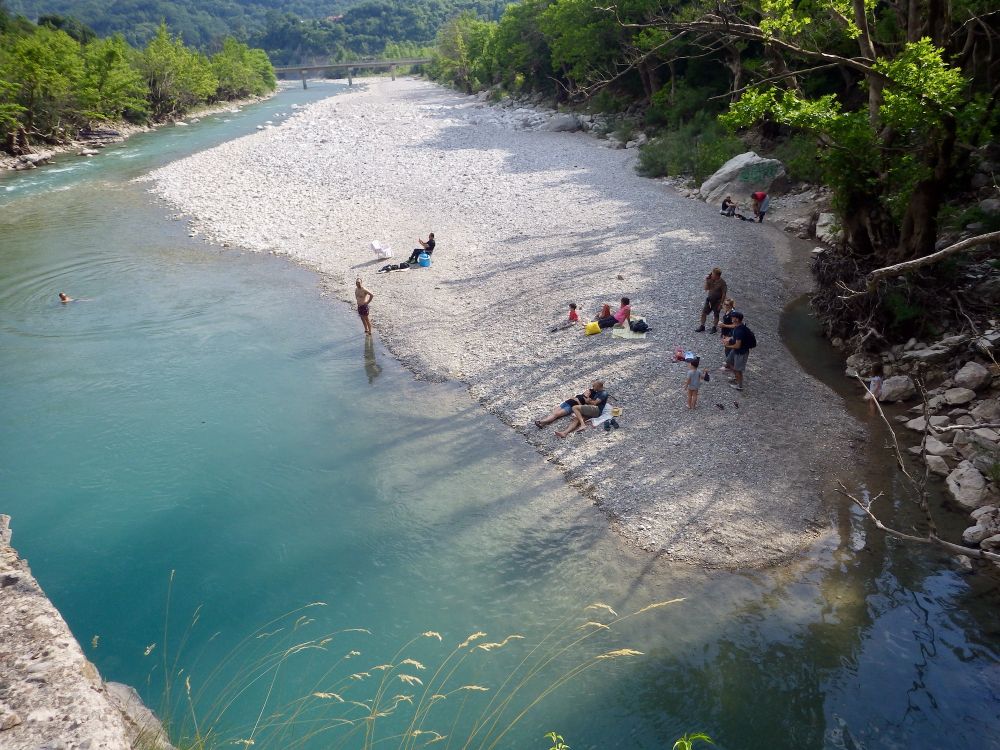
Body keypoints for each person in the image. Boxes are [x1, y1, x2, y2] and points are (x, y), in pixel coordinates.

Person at [534, 381, 608, 432]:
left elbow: (589, 403)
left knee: (557, 414)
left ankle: (541, 421)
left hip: (571, 406)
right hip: (567, 402)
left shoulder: (594, 394)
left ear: (597, 387)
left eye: (594, 386)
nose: (588, 391)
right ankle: (543, 424)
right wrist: (574, 398)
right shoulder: (589, 392)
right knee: (554, 413)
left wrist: (581, 400)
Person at [723, 311, 751, 390]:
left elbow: (737, 345)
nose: (731, 318)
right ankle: (736, 378)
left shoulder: (740, 331)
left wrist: (727, 345)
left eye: (733, 317)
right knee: (729, 362)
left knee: (738, 369)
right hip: (735, 350)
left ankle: (740, 386)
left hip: (741, 352)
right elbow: (735, 338)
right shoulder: (738, 326)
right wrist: (729, 339)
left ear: (737, 319)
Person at [696, 268, 727, 333]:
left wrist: (721, 304)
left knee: (716, 314)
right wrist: (707, 281)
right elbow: (706, 288)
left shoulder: (723, 283)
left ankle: (714, 327)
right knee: (704, 313)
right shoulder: (710, 280)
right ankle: (702, 326)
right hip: (709, 299)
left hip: (717, 301)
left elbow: (724, 294)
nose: (711, 274)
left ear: (717, 275)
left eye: (713, 274)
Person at [717, 298, 737, 369]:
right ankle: (729, 363)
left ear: (731, 305)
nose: (725, 306)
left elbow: (735, 325)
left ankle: (731, 364)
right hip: (725, 332)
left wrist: (724, 325)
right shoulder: (727, 311)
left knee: (728, 348)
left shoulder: (733, 313)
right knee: (726, 348)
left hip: (730, 334)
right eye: (725, 304)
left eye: (727, 305)